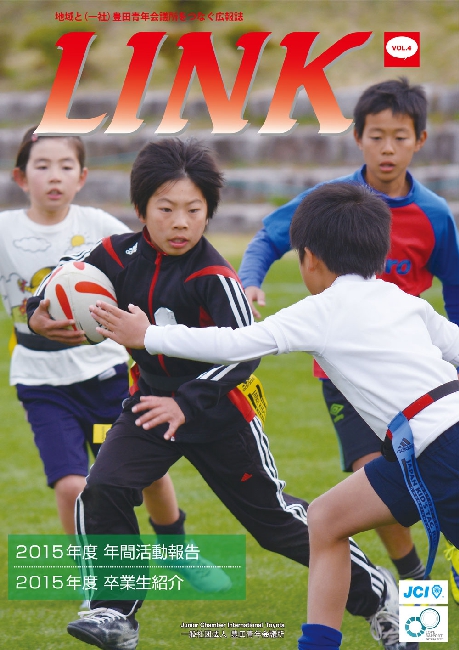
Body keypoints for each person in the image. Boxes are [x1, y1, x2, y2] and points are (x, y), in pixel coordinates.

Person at [28, 139, 408, 650]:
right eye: (166, 209)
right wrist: (38, 311)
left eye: (194, 210)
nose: (180, 223)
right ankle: (114, 612)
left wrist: (186, 404)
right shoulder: (117, 253)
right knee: (103, 488)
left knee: (276, 525)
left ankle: (379, 593)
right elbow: (62, 273)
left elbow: (243, 356)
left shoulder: (215, 276)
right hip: (150, 405)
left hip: (220, 414)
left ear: (209, 213)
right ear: (141, 210)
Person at [115, 182, 459, 650]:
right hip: (417, 451)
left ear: (309, 258)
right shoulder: (405, 299)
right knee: (326, 519)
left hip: (437, 448)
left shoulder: (321, 310)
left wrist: (148, 334)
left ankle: (414, 629)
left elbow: (234, 343)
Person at [238, 77, 459, 588]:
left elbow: (455, 286)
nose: (387, 148)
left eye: (400, 137)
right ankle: (411, 578)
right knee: (371, 476)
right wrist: (250, 281)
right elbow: (267, 238)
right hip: (346, 377)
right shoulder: (332, 202)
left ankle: (429, 571)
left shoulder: (433, 214)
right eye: (376, 136)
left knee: (425, 484)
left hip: (415, 379)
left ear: (420, 140)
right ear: (357, 137)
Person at [0, 127, 229, 594]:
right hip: (43, 385)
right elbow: (38, 293)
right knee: (72, 485)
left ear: (82, 176)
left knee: (147, 474)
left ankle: (175, 549)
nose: (54, 176)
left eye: (65, 166)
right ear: (20, 177)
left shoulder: (100, 225)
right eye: (42, 166)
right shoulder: (5, 230)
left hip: (106, 377)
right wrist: (36, 314)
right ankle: (99, 580)